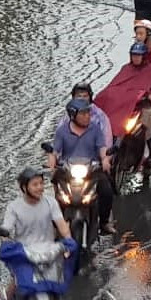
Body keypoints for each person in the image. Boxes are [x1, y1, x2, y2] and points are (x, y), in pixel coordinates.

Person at [48, 99, 116, 235]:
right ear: (73, 116)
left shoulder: (95, 129)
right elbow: (55, 151)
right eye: (83, 114)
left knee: (107, 191)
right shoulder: (62, 131)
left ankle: (104, 223)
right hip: (68, 170)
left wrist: (105, 159)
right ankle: (57, 224)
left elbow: (102, 147)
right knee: (57, 190)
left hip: (92, 169)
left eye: (88, 113)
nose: (87, 116)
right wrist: (52, 160)